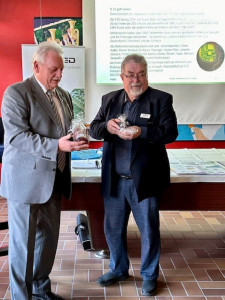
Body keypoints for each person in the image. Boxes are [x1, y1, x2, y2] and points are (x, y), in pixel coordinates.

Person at [0, 41, 89, 300]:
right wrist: (56, 144)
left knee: (47, 243)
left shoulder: (64, 95)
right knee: (23, 246)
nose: (59, 75)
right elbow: (16, 137)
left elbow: (62, 130)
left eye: (61, 70)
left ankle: (41, 291)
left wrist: (75, 137)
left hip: (55, 178)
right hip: (25, 181)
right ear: (36, 66)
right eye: (54, 70)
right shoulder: (16, 93)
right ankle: (21, 296)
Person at [89, 54, 178, 296]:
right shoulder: (109, 100)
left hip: (144, 180)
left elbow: (170, 132)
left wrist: (142, 131)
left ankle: (149, 275)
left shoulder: (161, 99)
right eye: (130, 75)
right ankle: (118, 269)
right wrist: (107, 126)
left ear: (146, 75)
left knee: (149, 230)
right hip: (115, 180)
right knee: (113, 228)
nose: (136, 79)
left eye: (141, 74)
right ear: (122, 77)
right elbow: (95, 128)